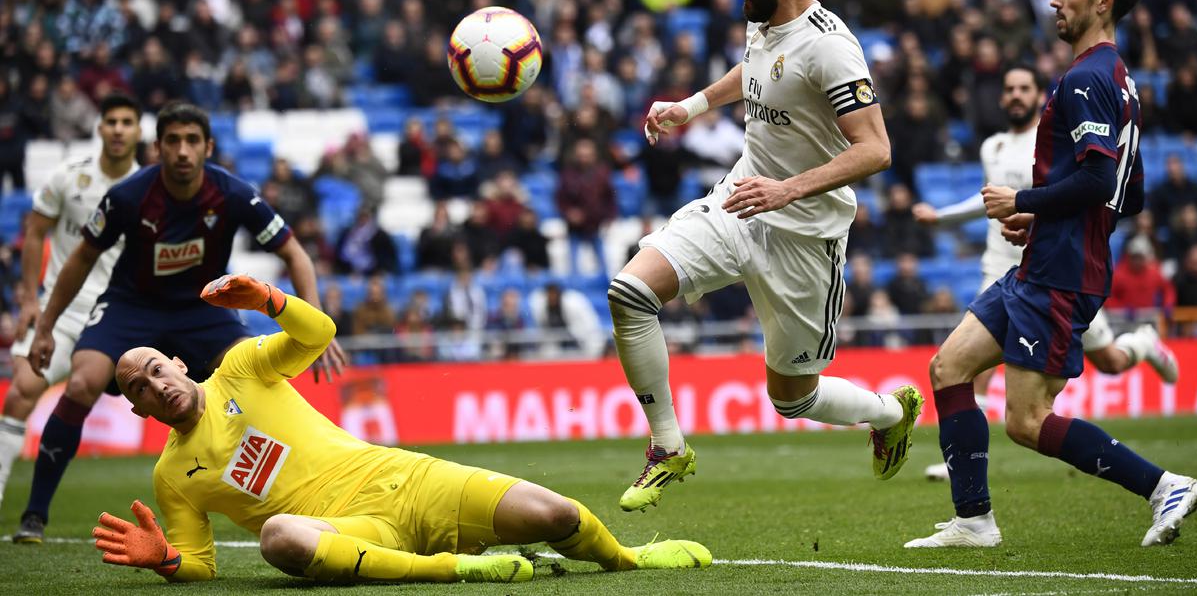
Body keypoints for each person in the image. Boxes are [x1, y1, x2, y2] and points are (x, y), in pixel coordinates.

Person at [92, 275, 711, 584]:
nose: (154, 385)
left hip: (404, 477)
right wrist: (167, 560)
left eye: (155, 369)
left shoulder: (242, 368)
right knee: (279, 538)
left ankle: (630, 559)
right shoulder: (172, 475)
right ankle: (456, 568)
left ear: (177, 364)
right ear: (139, 411)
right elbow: (201, 564)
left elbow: (321, 335)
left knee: (556, 517)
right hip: (349, 531)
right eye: (137, 389)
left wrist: (270, 301)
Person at [611, 0, 921, 513]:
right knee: (629, 292)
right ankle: (668, 445)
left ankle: (889, 411)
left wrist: (788, 191)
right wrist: (691, 106)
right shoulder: (765, 24)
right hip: (739, 203)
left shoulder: (830, 46)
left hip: (805, 237)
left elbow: (877, 149)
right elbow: (755, 74)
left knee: (794, 401)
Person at [905, 0, 1197, 550]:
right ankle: (974, 521)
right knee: (948, 368)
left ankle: (1163, 486)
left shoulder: (1089, 79)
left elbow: (1101, 183)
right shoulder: (1120, 80)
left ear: (1103, 3)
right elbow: (1133, 191)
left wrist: (1025, 200)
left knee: (1025, 419)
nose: (1054, 0)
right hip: (1045, 259)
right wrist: (1042, 221)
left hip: (1061, 273)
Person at [13, 102, 348, 544]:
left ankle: (313, 492)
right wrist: (45, 326)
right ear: (158, 148)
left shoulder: (233, 194)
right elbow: (81, 259)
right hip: (131, 305)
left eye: (193, 141)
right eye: (173, 141)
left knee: (259, 380)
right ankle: (34, 515)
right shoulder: (129, 196)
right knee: (80, 383)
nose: (183, 151)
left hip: (201, 311)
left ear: (208, 147)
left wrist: (315, 319)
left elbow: (295, 253)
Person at [912, 64, 1180, 481]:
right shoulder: (993, 147)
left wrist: (1030, 213)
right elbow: (986, 200)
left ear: (1039, 95)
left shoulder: (1053, 141)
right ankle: (962, 463)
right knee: (962, 365)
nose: (1016, 95)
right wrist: (942, 219)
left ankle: (1143, 345)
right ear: (1001, 98)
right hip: (1001, 267)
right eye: (1009, 89)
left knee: (1107, 362)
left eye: (1024, 88)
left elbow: (1089, 189)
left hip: (1054, 269)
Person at [0, 93, 143, 515]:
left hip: (117, 317)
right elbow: (34, 232)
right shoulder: (67, 176)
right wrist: (28, 299)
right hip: (60, 314)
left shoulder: (148, 189)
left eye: (126, 122)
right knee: (19, 394)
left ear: (137, 131)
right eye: (111, 121)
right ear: (99, 127)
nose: (118, 129)